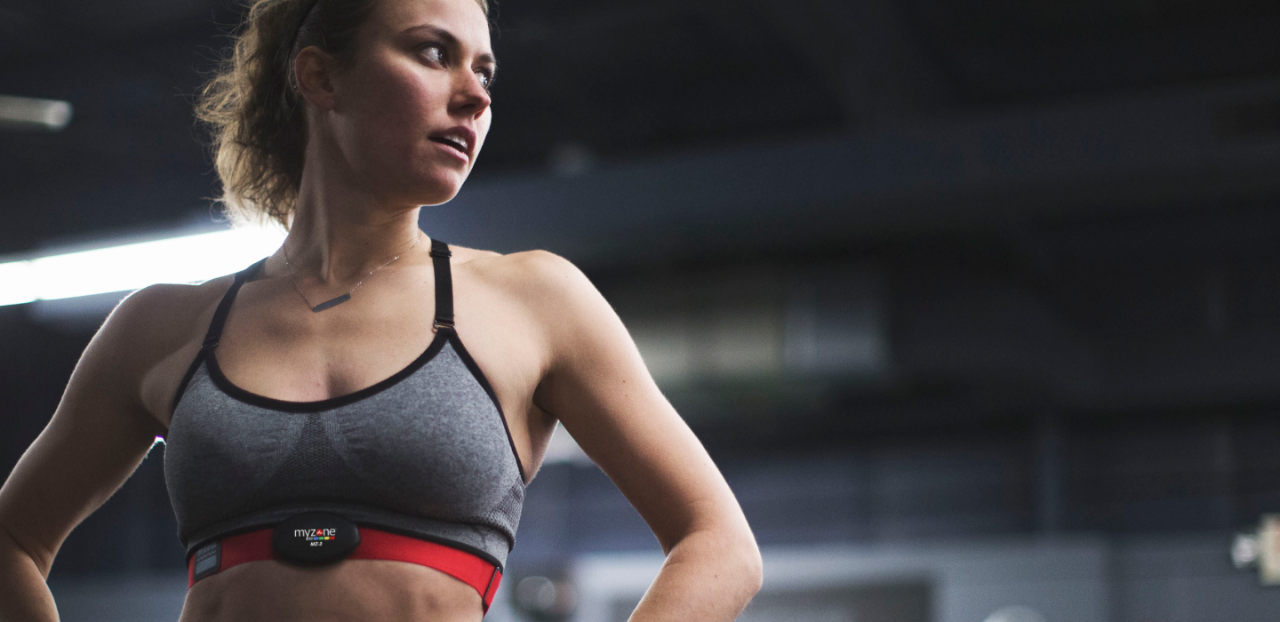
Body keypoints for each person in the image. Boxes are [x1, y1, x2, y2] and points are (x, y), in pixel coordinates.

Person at [0, 0, 763, 620]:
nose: (476, 95)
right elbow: (12, 541)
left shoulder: (534, 300)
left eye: (484, 70)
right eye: (434, 53)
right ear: (321, 76)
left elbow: (719, 543)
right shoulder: (162, 327)